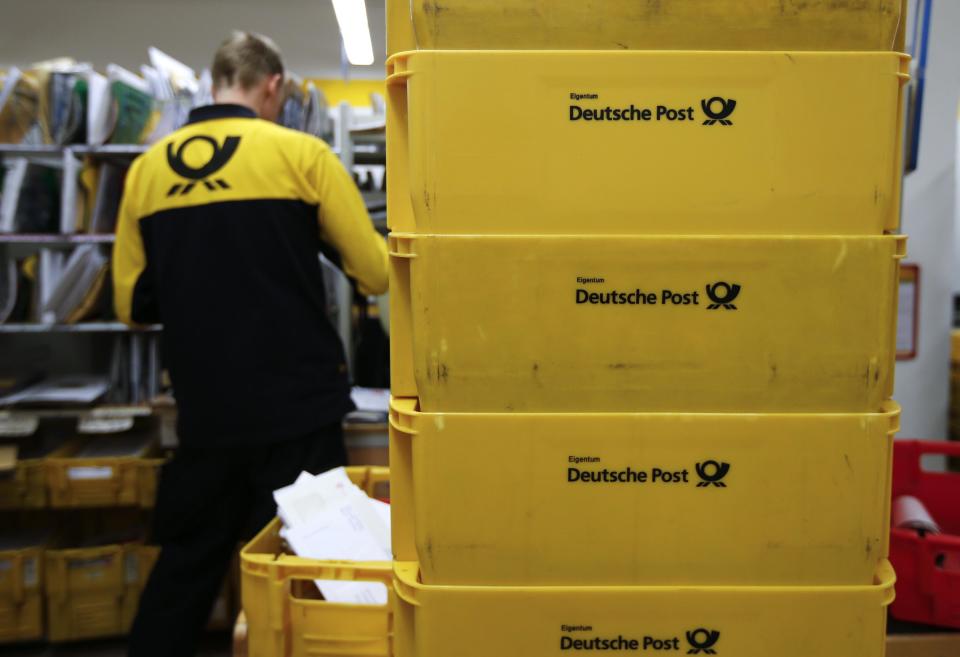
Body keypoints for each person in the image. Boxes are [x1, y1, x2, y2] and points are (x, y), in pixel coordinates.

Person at [113, 32, 388, 656]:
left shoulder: (146, 171)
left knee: (185, 573)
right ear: (274, 87)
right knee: (316, 576)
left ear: (215, 85)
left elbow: (131, 308)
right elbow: (372, 274)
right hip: (299, 413)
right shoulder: (304, 155)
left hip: (209, 415)